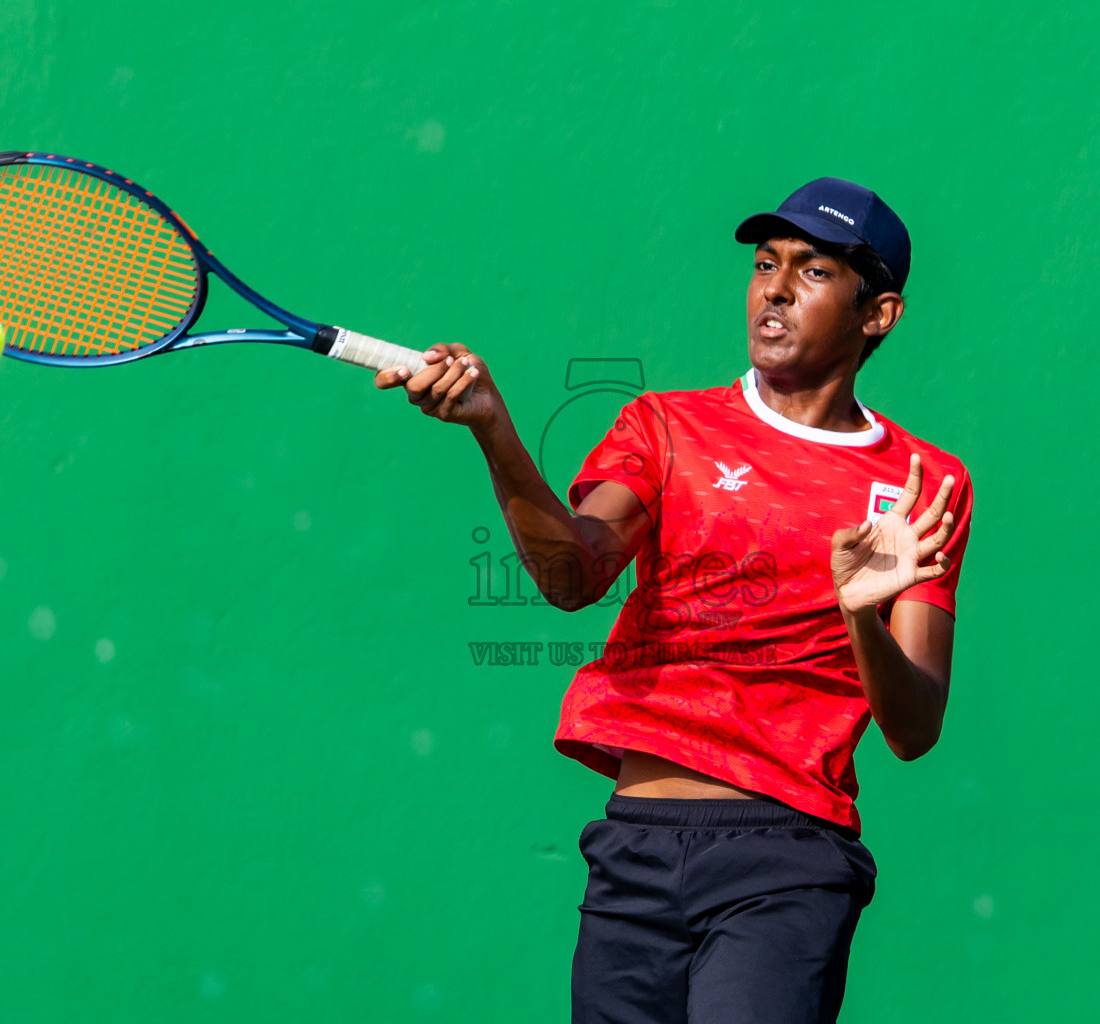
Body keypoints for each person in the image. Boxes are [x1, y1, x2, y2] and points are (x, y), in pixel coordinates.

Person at [374, 177, 973, 1024]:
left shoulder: (923, 484)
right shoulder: (664, 427)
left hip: (788, 861)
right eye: (766, 264)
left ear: (878, 315)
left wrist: (859, 615)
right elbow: (573, 577)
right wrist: (493, 428)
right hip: (634, 852)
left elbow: (913, 729)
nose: (772, 288)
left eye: (812, 271)